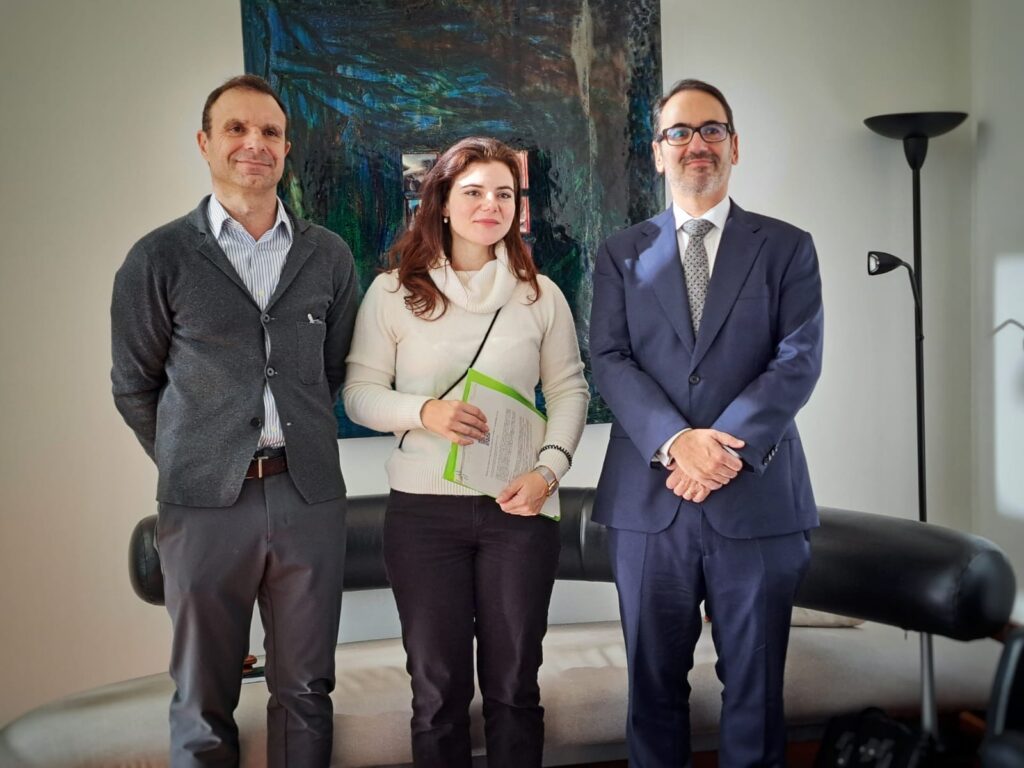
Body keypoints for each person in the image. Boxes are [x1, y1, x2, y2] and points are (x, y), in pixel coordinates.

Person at [111, 74, 358, 767]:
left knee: (306, 689)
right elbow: (133, 385)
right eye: (237, 129)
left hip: (309, 497)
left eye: (270, 132)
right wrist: (197, 455)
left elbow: (332, 370)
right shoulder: (158, 257)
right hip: (202, 505)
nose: (255, 143)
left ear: (286, 148)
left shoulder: (329, 255)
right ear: (205, 143)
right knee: (204, 694)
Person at [589, 79, 824, 767]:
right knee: (652, 692)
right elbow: (608, 358)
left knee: (756, 693)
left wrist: (720, 452)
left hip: (757, 500)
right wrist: (677, 443)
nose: (698, 144)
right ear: (658, 152)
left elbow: (798, 361)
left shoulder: (787, 247)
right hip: (648, 505)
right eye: (680, 132)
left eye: (712, 130)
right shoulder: (619, 253)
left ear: (734, 146)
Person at [343, 137, 589, 768]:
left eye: (504, 194)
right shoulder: (393, 293)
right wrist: (423, 412)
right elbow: (359, 395)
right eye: (474, 192)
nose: (490, 205)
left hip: (518, 510)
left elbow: (570, 390)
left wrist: (548, 472)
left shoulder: (541, 295)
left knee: (514, 689)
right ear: (443, 203)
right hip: (423, 517)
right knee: (438, 695)